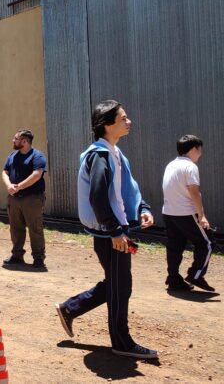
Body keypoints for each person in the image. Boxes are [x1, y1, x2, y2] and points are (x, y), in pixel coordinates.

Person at [55, 100, 158, 360]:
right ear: (107, 124)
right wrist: (114, 231)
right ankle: (121, 342)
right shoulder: (100, 155)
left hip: (116, 230)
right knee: (120, 286)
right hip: (110, 234)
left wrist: (142, 207)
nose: (128, 121)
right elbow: (98, 196)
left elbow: (126, 189)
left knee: (118, 283)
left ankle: (71, 308)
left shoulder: (114, 152)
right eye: (123, 118)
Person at [162, 134, 215, 292]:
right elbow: (194, 192)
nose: (200, 153)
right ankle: (195, 275)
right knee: (207, 243)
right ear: (194, 149)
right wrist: (202, 215)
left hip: (169, 212)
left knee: (175, 246)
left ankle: (173, 279)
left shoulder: (171, 165)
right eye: (200, 150)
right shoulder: (190, 166)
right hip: (186, 212)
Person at [1, 129, 48, 268]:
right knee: (16, 228)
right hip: (14, 198)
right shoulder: (12, 156)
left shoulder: (37, 156)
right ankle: (17, 255)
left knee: (35, 229)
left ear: (25, 141)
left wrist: (19, 186)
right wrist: (9, 185)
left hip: (32, 199)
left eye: (15, 138)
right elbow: (4, 172)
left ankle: (38, 258)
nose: (13, 141)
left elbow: (37, 174)